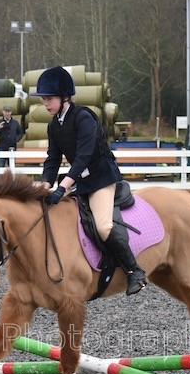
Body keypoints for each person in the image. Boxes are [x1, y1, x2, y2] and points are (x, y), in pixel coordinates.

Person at [32, 66, 146, 296]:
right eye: (44, 99)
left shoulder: (84, 118)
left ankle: (135, 271)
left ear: (65, 97)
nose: (46, 104)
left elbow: (84, 156)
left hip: (101, 177)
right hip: (80, 180)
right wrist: (45, 185)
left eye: (50, 99)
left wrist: (63, 186)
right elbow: (52, 158)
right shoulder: (54, 125)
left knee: (103, 226)